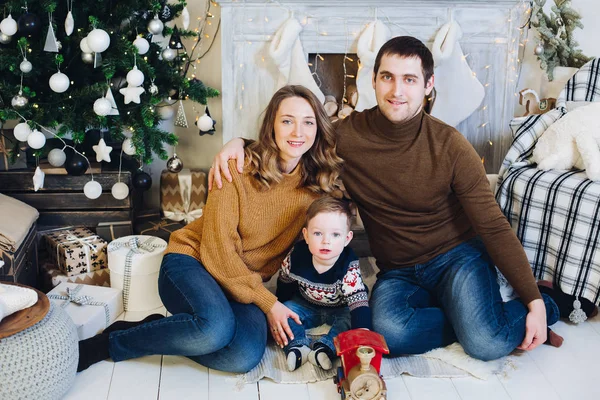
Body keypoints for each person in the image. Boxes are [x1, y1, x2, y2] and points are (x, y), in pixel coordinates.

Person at [208, 36, 587, 361]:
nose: (396, 90)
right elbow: (293, 140)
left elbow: (492, 225)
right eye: (387, 77)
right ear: (373, 80)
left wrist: (534, 303)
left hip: (457, 257)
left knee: (485, 343)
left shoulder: (450, 145)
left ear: (428, 84)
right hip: (400, 271)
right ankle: (470, 315)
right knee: (386, 333)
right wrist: (239, 144)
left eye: (409, 79)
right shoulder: (345, 136)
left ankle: (549, 303)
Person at [76, 85, 344, 373]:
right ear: (272, 126)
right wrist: (269, 302)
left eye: (308, 122)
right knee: (214, 331)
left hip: (242, 282)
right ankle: (110, 343)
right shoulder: (236, 167)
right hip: (193, 262)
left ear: (318, 128)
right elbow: (218, 252)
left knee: (243, 357)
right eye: (287, 121)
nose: (297, 132)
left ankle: (163, 329)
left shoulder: (318, 188)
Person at [276, 196, 371, 372]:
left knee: (352, 321)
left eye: (335, 235)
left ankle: (325, 348)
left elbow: (358, 304)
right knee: (284, 313)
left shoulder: (348, 266)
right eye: (318, 233)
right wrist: (283, 308)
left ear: (347, 238)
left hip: (341, 307)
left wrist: (362, 334)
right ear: (306, 235)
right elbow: (284, 284)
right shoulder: (296, 257)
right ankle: (298, 347)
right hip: (306, 303)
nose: (326, 241)